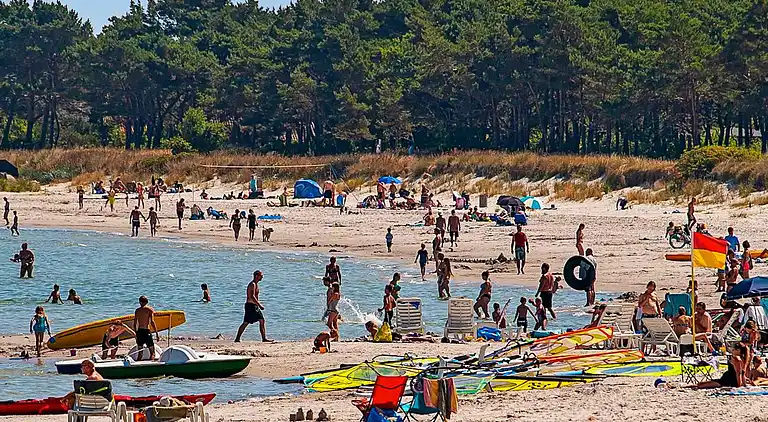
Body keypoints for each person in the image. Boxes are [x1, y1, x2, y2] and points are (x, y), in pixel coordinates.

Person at [234, 271, 273, 342]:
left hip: (254, 306)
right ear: (256, 276)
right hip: (250, 306)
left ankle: (263, 338)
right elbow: (252, 296)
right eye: (261, 276)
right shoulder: (252, 284)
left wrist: (257, 304)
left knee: (261, 320)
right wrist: (260, 305)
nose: (262, 277)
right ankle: (237, 338)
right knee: (247, 322)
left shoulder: (256, 284)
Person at [134, 296, 160, 360]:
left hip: (139, 331)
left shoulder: (137, 311)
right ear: (147, 302)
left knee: (140, 353)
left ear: (139, 302)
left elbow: (134, 324)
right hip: (146, 331)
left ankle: (137, 367)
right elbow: (152, 322)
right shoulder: (149, 310)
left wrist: (136, 334)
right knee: (152, 353)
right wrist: (157, 333)